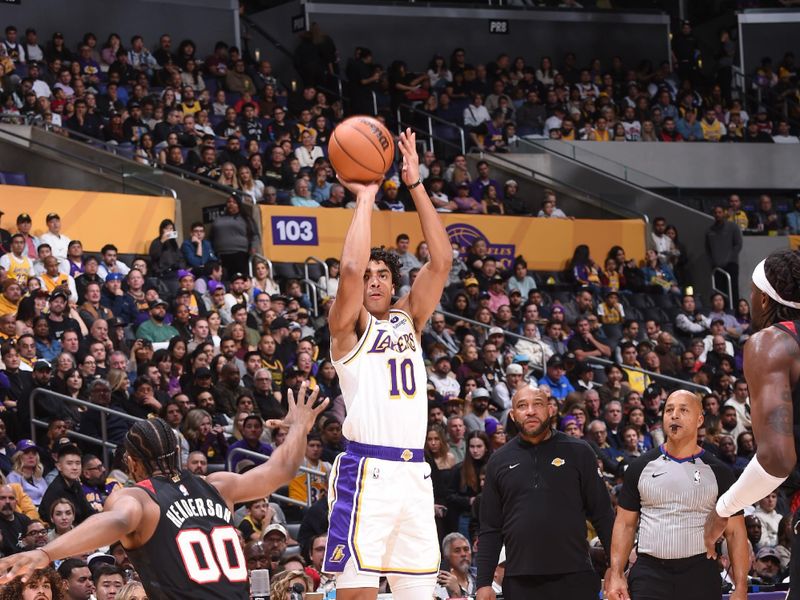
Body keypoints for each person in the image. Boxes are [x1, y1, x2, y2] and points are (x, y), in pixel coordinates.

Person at [0, 383, 328, 599]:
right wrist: (299, 427)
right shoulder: (218, 485)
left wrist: (46, 552)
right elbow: (281, 470)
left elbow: (113, 523)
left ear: (131, 461)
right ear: (177, 449)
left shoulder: (138, 498)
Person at [323, 129, 451, 600]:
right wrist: (366, 197)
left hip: (415, 475)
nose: (372, 281)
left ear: (394, 284)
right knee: (358, 594)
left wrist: (415, 184)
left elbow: (441, 261)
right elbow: (351, 271)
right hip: (366, 472)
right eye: (369, 276)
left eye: (383, 275)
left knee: (418, 594)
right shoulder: (347, 330)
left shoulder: (408, 320)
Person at [704, 249, 800, 598]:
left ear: (764, 298)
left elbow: (776, 459)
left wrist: (724, 508)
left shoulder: (772, 343)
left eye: (751, 288)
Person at [605, 390, 749, 600]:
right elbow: (625, 525)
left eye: (683, 410)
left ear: (700, 419)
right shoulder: (640, 467)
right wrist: (617, 574)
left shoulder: (719, 472)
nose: (674, 415)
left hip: (700, 573)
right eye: (669, 410)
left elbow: (735, 533)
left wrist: (741, 585)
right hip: (649, 574)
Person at [476, 386, 614, 600]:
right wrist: (484, 583)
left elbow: (603, 515)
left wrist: (616, 567)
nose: (530, 411)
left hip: (575, 575)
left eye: (537, 404)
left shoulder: (579, 451)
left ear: (550, 410)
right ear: (513, 416)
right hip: (520, 580)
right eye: (522, 406)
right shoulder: (498, 460)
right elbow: (490, 528)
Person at [706, 205, 743, 303]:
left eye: (720, 212)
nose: (718, 215)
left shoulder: (733, 227)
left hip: (731, 264)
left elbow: (738, 244)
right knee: (719, 292)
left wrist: (728, 259)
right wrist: (713, 261)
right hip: (716, 266)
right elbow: (708, 248)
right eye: (716, 213)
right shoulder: (710, 230)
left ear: (724, 213)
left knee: (733, 290)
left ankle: (734, 312)